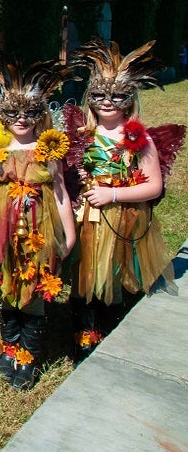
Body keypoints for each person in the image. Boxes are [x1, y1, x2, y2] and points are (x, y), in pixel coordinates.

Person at [0, 59, 77, 390]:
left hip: (39, 235)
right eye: (13, 114)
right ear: (1, 116)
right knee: (6, 289)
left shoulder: (48, 152)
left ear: (40, 113)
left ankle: (28, 356)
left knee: (35, 293)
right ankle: (9, 346)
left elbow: (60, 196)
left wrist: (69, 235)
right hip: (1, 235)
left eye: (29, 113)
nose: (22, 120)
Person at [68, 40, 180, 361]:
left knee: (116, 276)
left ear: (130, 100)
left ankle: (110, 331)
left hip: (123, 222)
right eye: (100, 95)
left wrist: (113, 193)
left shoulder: (139, 139)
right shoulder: (84, 136)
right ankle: (84, 333)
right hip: (87, 219)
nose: (107, 102)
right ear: (90, 97)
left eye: (117, 96)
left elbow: (153, 187)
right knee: (84, 273)